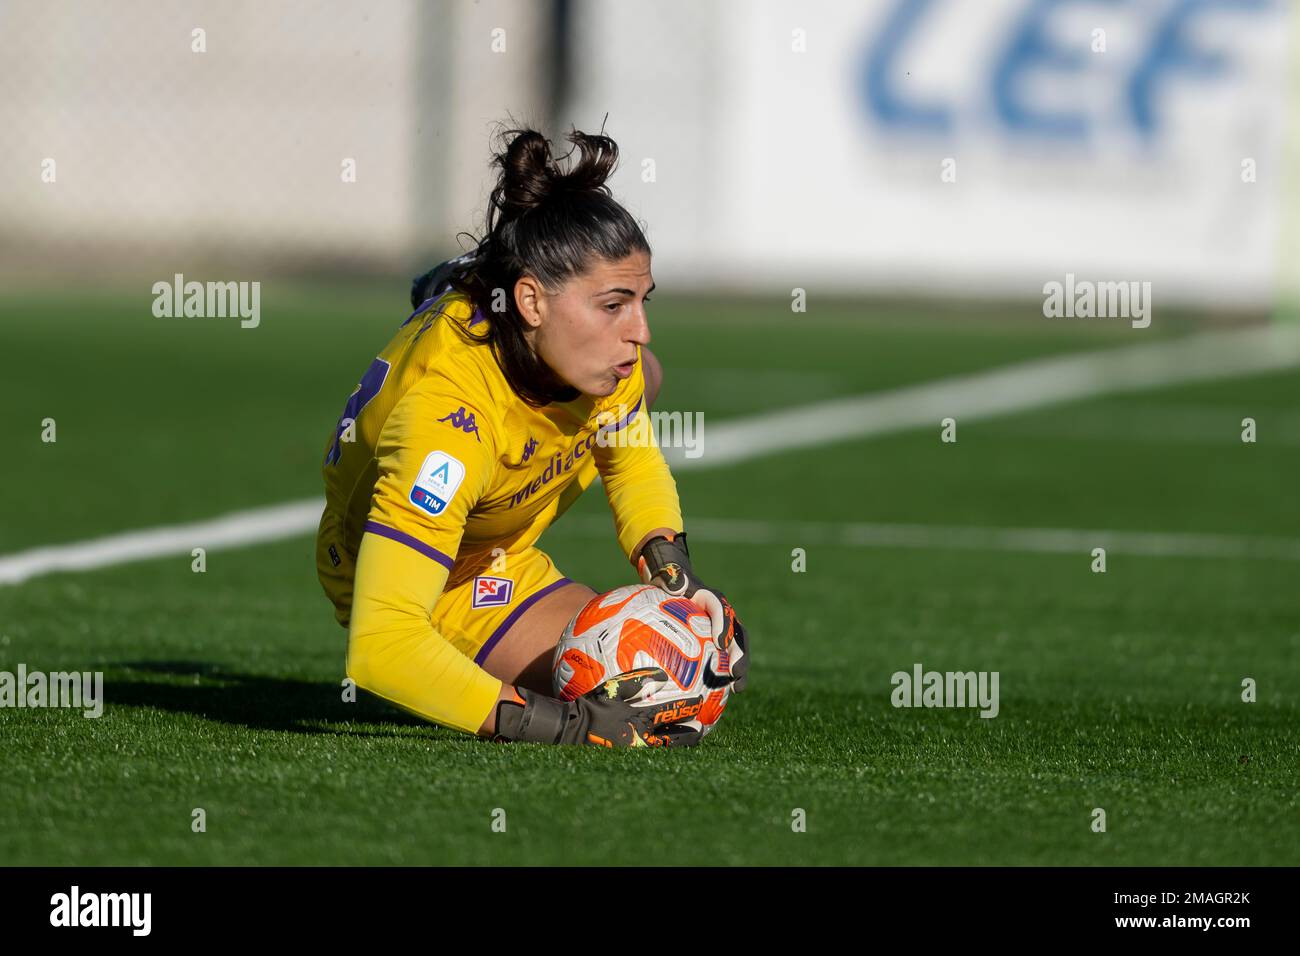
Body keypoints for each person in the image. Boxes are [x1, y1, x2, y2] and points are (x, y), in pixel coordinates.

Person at [315, 126, 747, 747]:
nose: (641, 328)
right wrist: (556, 725)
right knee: (618, 697)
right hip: (427, 573)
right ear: (532, 301)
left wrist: (674, 572)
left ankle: (465, 282)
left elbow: (630, 464)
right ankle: (451, 291)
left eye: (643, 301)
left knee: (645, 379)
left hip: (498, 548)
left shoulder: (605, 358)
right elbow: (383, 644)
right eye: (614, 305)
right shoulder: (448, 423)